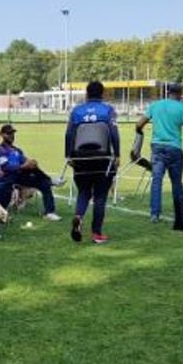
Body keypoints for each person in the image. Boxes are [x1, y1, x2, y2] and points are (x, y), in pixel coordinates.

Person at [132, 82, 183, 229]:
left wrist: (140, 134)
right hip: (174, 148)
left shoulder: (155, 105)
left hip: (157, 148)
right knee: (177, 183)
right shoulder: (181, 108)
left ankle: (155, 214)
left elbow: (139, 124)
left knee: (157, 181)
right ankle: (179, 213)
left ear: (168, 93)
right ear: (180, 94)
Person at [65, 81, 121, 244]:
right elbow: (114, 133)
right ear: (102, 94)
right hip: (102, 158)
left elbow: (69, 134)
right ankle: (96, 233)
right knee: (100, 196)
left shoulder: (77, 111)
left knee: (83, 191)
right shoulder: (108, 110)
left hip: (80, 158)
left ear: (87, 94)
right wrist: (117, 154)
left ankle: (78, 216)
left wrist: (68, 155)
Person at [0, 124, 62, 221]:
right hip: (8, 178)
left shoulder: (16, 150)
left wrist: (31, 162)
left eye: (13, 133)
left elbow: (24, 160)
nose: (12, 136)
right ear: (3, 135)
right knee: (34, 172)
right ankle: (50, 180)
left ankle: (49, 212)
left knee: (43, 182)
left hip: (20, 176)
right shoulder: (0, 151)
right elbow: (6, 167)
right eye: (9, 134)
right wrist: (23, 166)